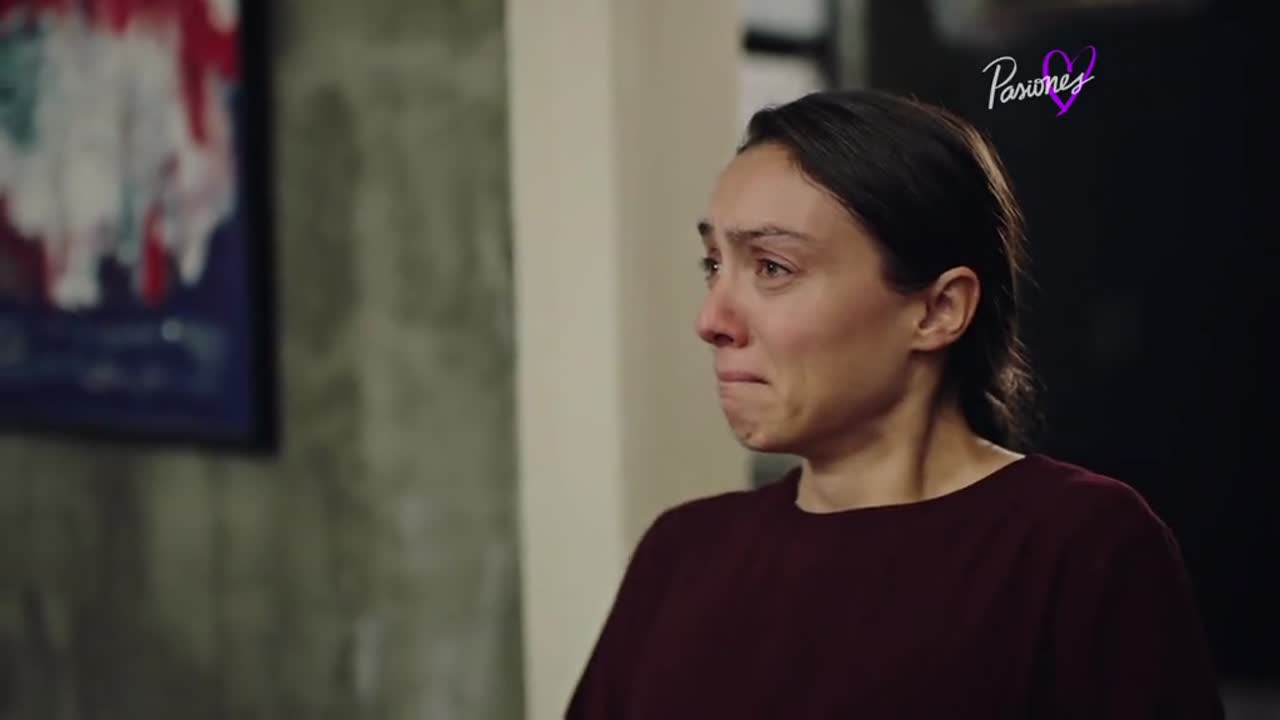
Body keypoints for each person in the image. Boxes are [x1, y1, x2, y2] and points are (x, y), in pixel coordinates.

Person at [564, 90, 1225, 719]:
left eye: (772, 267)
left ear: (939, 310)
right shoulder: (682, 553)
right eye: (714, 265)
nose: (711, 320)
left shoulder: (1081, 548)